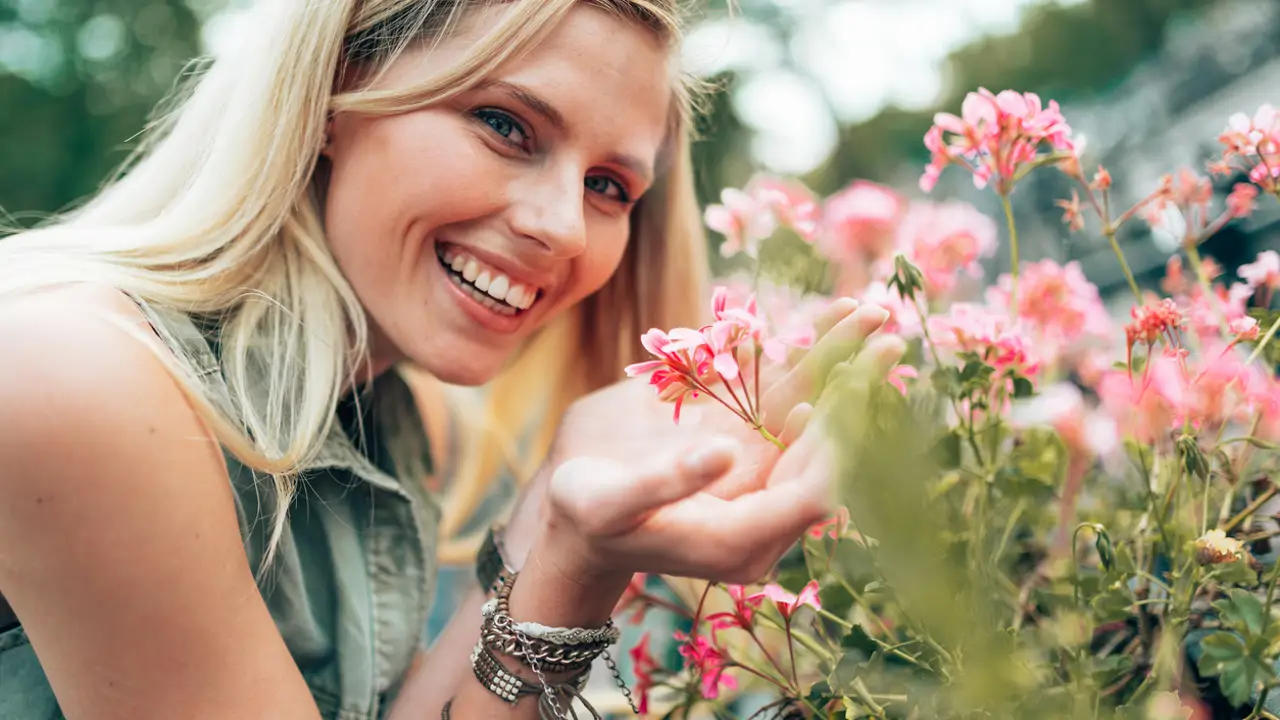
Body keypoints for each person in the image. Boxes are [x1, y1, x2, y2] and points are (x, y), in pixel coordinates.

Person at [0, 0, 904, 718]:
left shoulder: (394, 419)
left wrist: (562, 529)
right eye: (506, 126)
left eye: (606, 186)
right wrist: (568, 563)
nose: (558, 226)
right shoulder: (79, 376)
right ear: (332, 93)